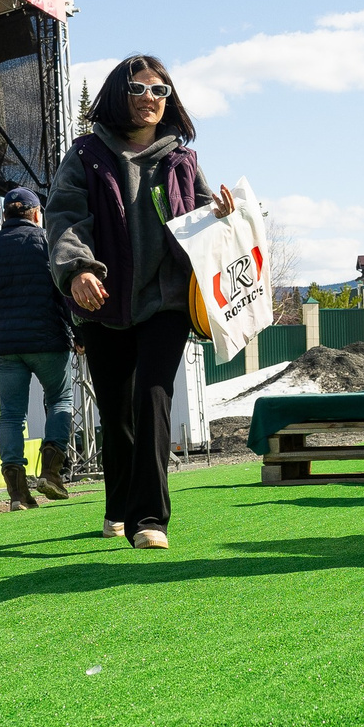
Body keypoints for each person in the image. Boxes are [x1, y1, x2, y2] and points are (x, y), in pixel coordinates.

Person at [45, 55, 235, 550]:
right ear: (117, 94)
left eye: (161, 91)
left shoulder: (182, 158)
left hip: (166, 299)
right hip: (103, 300)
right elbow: (64, 217)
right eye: (140, 88)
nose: (151, 99)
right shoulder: (86, 155)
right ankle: (118, 504)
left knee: (152, 397)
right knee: (116, 410)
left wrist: (220, 214)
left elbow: (199, 218)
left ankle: (149, 518)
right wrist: (77, 269)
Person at [0, 185, 74, 510]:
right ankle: (51, 473)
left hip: (4, 345)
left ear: (4, 215)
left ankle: (17, 494)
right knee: (60, 399)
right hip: (47, 339)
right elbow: (63, 291)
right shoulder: (46, 241)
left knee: (11, 415)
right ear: (35, 214)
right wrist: (78, 333)